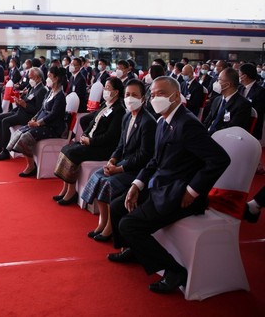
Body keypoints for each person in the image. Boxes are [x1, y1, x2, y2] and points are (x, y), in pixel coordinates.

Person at [107, 76, 230, 294]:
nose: (155, 99)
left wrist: (193, 190)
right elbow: (155, 161)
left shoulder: (188, 123)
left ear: (175, 95)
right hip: (161, 185)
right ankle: (134, 250)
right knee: (118, 205)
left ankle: (174, 271)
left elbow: (219, 159)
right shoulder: (163, 121)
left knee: (129, 225)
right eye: (152, 95)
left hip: (179, 193)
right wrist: (137, 184)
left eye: (161, 94)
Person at [81, 80, 156, 242]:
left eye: (135, 95)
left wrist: (119, 169)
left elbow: (144, 156)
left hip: (135, 169)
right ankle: (102, 221)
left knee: (108, 183)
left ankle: (110, 227)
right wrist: (112, 160)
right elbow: (121, 144)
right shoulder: (127, 116)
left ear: (143, 98)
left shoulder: (148, 122)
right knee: (97, 176)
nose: (130, 98)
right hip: (122, 163)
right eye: (128, 94)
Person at [53, 77, 126, 206]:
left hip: (104, 147)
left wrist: (91, 141)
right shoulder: (106, 104)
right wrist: (85, 135)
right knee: (66, 149)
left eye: (108, 88)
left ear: (116, 92)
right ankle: (65, 188)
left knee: (72, 153)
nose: (105, 91)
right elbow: (91, 122)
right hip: (92, 141)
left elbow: (110, 136)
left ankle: (71, 192)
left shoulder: (119, 110)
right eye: (105, 88)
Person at [3, 66, 68, 177]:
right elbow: (42, 109)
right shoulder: (50, 92)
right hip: (42, 123)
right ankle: (24, 159)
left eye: (49, 76)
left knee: (26, 136)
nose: (47, 78)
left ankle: (31, 166)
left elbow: (53, 115)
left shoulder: (60, 97)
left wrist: (38, 123)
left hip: (52, 127)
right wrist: (34, 118)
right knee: (20, 131)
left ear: (56, 78)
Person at [0, 67, 47, 160]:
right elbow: (26, 100)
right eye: (29, 78)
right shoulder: (32, 87)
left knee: (5, 122)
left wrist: (25, 105)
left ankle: (5, 151)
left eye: (31, 78)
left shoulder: (42, 90)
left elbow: (38, 110)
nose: (30, 80)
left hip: (28, 116)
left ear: (38, 78)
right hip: (21, 111)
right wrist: (19, 101)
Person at [203, 67, 252, 135]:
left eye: (219, 79)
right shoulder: (217, 99)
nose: (216, 82)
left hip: (223, 139)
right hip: (207, 136)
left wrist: (210, 135)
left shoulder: (243, 104)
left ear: (227, 84)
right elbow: (207, 122)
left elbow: (231, 130)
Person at [239, 63, 265, 139]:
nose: (238, 76)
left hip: (251, 126)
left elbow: (257, 112)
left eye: (239, 74)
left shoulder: (260, 91)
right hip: (239, 121)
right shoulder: (240, 88)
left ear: (244, 76)